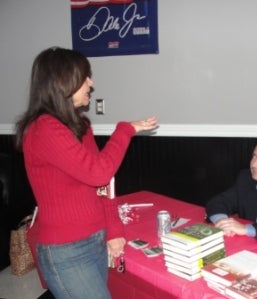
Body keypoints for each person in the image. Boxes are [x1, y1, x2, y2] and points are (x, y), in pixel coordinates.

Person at [14, 47, 158, 299]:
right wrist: (125, 130)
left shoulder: (80, 126)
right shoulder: (43, 129)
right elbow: (99, 172)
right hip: (66, 251)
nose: (90, 83)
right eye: (84, 76)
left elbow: (103, 187)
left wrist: (113, 231)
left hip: (95, 241)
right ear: (62, 82)